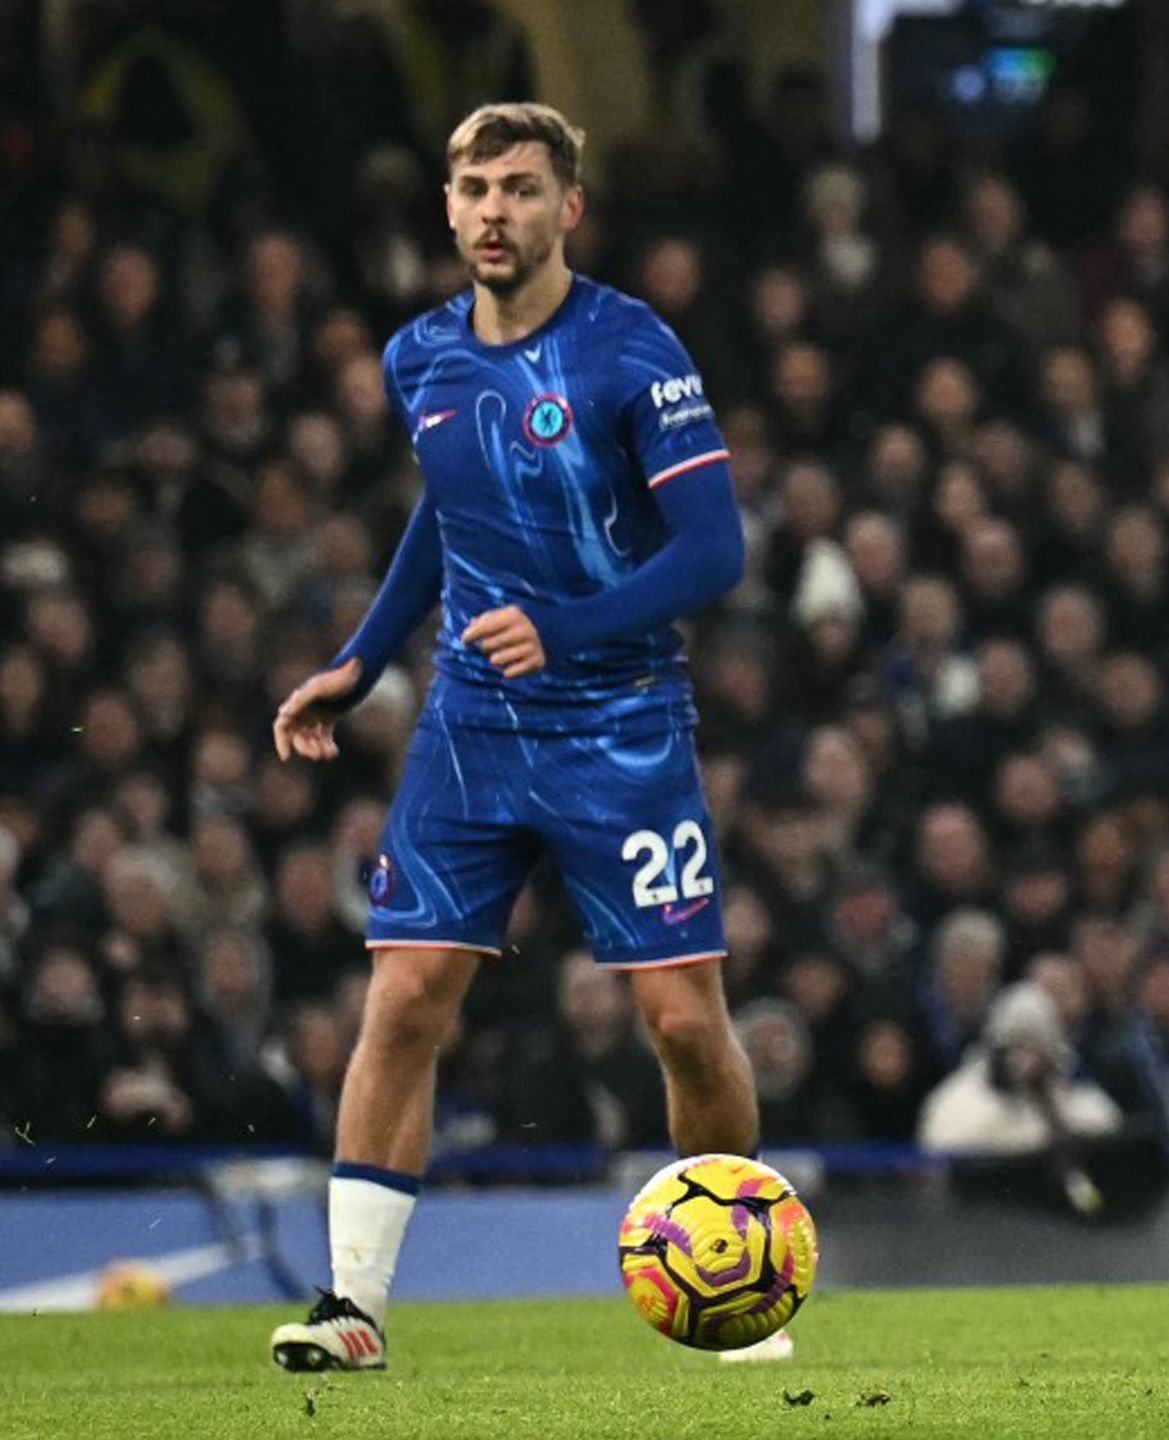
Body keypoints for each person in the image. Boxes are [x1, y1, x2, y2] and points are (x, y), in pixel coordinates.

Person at [264, 103, 760, 1370]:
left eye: (522, 190)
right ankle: (353, 1307)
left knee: (684, 1026)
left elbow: (713, 547)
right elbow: (450, 512)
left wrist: (568, 625)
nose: (496, 211)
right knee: (405, 995)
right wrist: (360, 660)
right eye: (475, 188)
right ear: (447, 208)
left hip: (622, 729)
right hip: (470, 731)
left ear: (567, 211)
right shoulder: (420, 356)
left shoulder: (631, 349)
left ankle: (735, 1291)